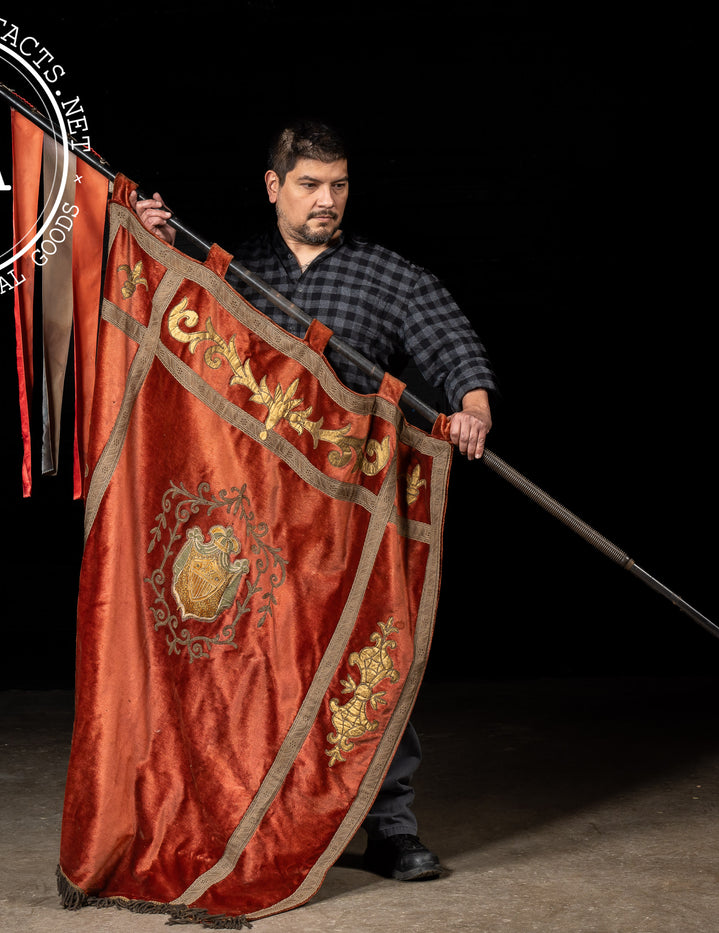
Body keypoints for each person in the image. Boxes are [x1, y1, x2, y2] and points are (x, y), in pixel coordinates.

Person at [134, 119, 498, 882]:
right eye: (309, 185)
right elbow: (170, 318)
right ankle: (249, 822)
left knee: (372, 660)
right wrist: (159, 240)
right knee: (246, 674)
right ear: (274, 187)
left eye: (337, 185)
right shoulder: (231, 268)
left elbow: (451, 344)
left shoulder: (387, 276)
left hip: (347, 518)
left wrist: (472, 406)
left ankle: (391, 829)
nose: (326, 199)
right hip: (249, 520)